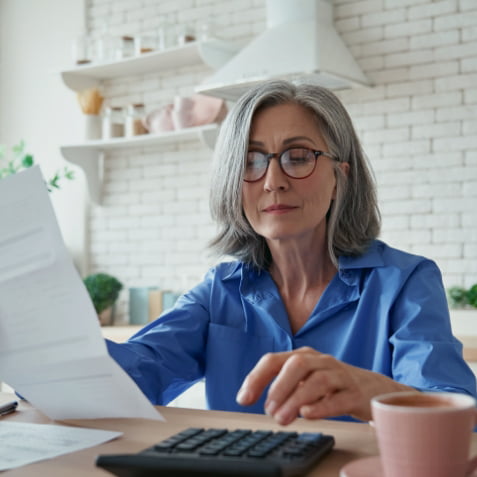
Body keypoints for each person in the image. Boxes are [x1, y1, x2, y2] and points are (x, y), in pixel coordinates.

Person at [106, 80, 476, 425]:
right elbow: (131, 375)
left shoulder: (404, 282)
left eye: (297, 157)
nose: (273, 181)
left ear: (340, 178)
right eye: (251, 161)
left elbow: (460, 418)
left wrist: (375, 393)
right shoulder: (219, 291)